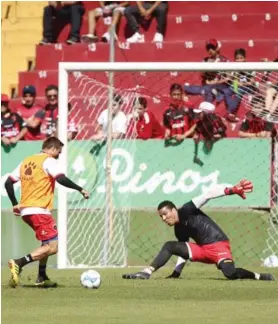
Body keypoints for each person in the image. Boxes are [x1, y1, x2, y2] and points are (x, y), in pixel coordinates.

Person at [122, 179, 274, 281]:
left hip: (218, 244)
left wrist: (232, 190)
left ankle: (259, 276)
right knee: (170, 246)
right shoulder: (178, 229)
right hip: (202, 250)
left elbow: (208, 194)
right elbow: (184, 252)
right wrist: (176, 273)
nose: (163, 218)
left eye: (165, 214)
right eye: (161, 216)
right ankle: (146, 272)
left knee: (230, 274)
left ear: (174, 209)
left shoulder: (187, 209)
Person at [4, 136, 90, 287]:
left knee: (46, 243)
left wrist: (15, 204)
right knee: (52, 247)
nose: (59, 155)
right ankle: (19, 263)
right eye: (59, 152)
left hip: (26, 211)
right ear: (52, 149)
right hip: (39, 210)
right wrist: (80, 189)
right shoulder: (49, 160)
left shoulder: (26, 161)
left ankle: (41, 276)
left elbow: (8, 182)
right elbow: (60, 178)